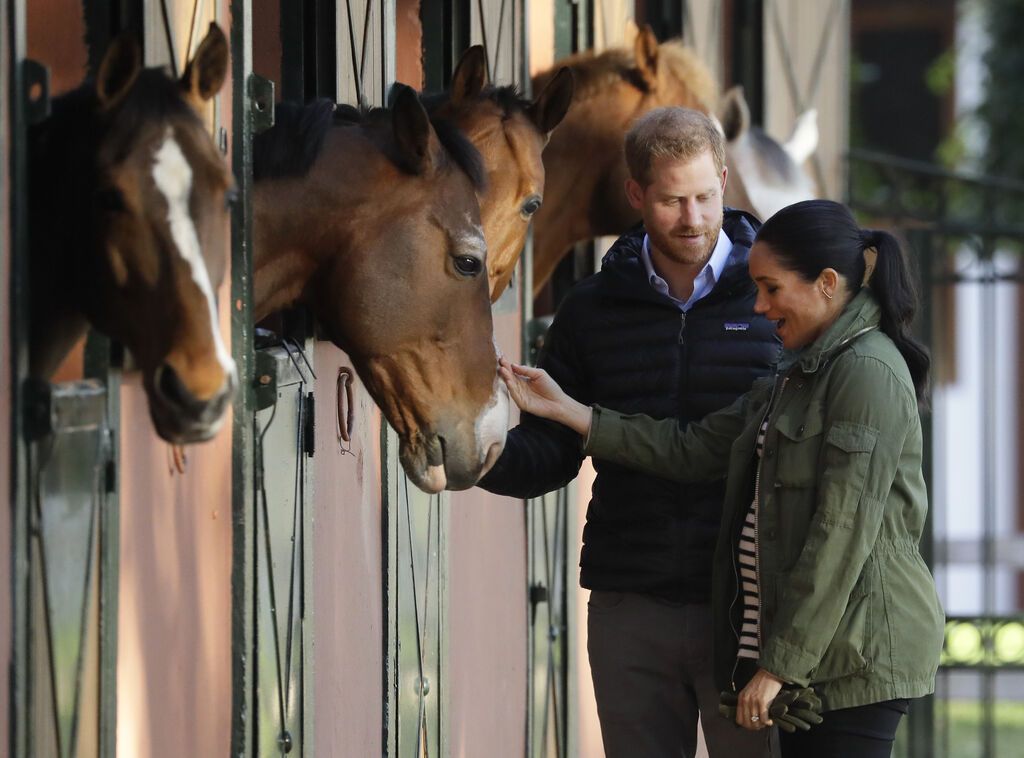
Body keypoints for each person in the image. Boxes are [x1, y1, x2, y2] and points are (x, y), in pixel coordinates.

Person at [499, 199, 946, 758]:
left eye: (771, 288)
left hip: (857, 651)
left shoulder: (865, 371)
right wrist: (572, 412)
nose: (759, 306)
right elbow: (694, 448)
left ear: (827, 283)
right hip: (820, 653)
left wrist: (778, 666)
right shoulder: (804, 371)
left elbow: (841, 532)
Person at [479, 106, 779, 757]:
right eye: (672, 200)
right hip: (629, 602)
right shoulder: (590, 310)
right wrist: (480, 457)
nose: (693, 218)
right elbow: (553, 452)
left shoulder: (773, 299)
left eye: (704, 196)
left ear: (724, 180)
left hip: (750, 612)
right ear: (636, 193)